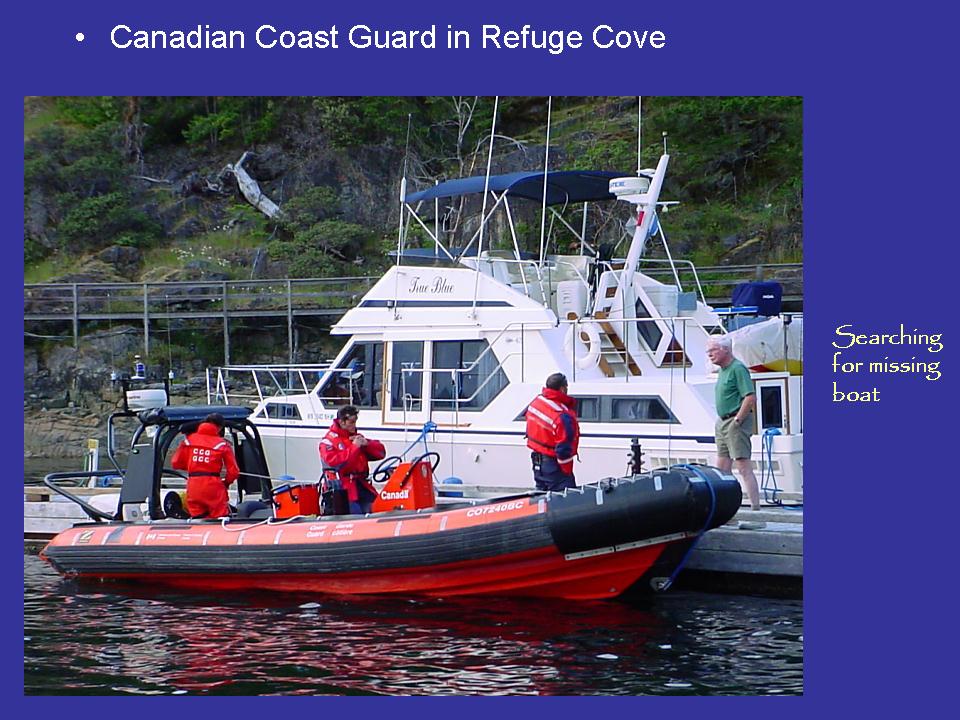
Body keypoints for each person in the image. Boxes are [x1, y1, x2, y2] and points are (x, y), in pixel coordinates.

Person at [706, 335, 761, 511]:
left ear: (725, 349)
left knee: (743, 466)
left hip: (734, 421)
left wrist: (738, 420)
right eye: (708, 350)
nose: (709, 354)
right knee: (722, 469)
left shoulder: (738, 368)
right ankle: (725, 509)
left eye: (713, 350)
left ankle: (755, 508)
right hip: (722, 422)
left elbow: (750, 397)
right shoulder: (722, 370)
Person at [171, 412, 240, 519]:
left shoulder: (188, 441)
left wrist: (194, 466)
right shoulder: (222, 444)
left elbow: (175, 463)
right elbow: (234, 472)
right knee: (220, 519)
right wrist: (225, 483)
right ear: (220, 427)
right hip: (213, 487)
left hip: (193, 486)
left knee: (198, 519)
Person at [320, 405, 386, 514]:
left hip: (361, 485)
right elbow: (336, 464)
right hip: (343, 489)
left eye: (355, 422)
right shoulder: (328, 442)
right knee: (356, 513)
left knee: (379, 507)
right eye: (351, 422)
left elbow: (380, 453)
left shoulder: (356, 438)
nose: (354, 425)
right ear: (342, 422)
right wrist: (354, 447)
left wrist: (367, 444)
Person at [525, 373, 580, 491]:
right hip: (554, 466)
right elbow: (564, 448)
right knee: (565, 497)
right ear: (562, 389)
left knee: (541, 495)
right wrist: (566, 471)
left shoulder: (536, 403)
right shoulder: (561, 415)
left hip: (537, 462)